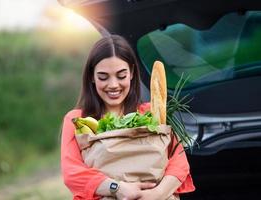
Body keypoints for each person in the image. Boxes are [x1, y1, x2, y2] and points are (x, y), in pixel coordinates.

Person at [61, 34, 195, 200]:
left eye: (121, 75)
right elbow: (72, 173)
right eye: (103, 77)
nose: (113, 85)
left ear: (131, 72)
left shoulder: (152, 113)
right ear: (91, 77)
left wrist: (156, 194)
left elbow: (179, 162)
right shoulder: (77, 120)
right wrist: (117, 188)